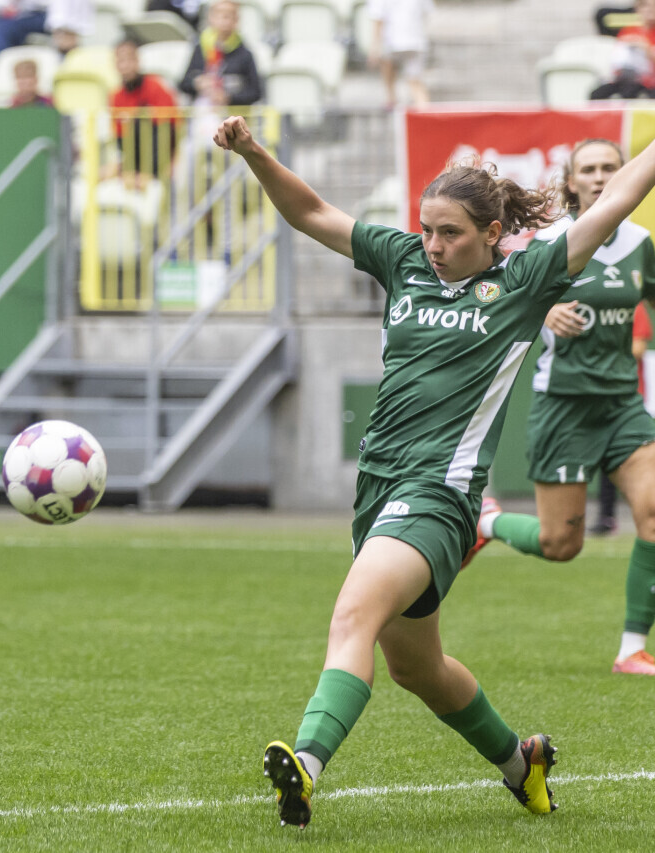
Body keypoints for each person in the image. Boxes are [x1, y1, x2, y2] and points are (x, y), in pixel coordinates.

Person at [212, 113, 655, 827]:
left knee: (353, 615)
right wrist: (254, 152)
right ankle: (523, 765)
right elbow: (312, 212)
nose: (434, 245)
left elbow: (616, 201)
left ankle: (306, 765)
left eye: (450, 233)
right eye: (426, 229)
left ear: (492, 233)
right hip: (378, 489)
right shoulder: (405, 262)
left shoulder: (526, 279)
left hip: (439, 495)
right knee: (417, 668)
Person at [465, 139, 655, 678]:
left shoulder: (640, 243)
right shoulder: (550, 242)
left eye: (610, 167)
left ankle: (631, 649)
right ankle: (489, 521)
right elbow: (492, 295)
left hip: (623, 405)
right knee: (560, 544)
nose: (600, 176)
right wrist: (542, 307)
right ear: (571, 181)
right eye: (588, 169)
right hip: (563, 407)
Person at [592, 300, 650, 534]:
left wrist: (606, 346)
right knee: (604, 455)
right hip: (599, 394)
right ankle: (607, 516)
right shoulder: (594, 306)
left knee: (636, 457)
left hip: (629, 396)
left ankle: (642, 512)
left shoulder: (635, 306)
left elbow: (639, 347)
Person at [111, 39, 180, 181]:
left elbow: (171, 128)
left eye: (129, 59)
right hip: (134, 156)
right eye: (120, 61)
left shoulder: (155, 87)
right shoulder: (116, 96)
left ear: (137, 61)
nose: (125, 66)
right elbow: (120, 137)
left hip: (161, 154)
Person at [178, 1, 263, 108]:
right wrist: (197, 83)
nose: (224, 19)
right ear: (210, 18)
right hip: (202, 111)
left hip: (231, 113)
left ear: (236, 20)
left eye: (229, 15)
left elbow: (255, 92)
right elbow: (183, 84)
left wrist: (228, 97)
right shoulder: (200, 48)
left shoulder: (244, 54)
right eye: (219, 14)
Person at [366, 0, 433, 109]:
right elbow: (426, 12)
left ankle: (392, 100)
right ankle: (423, 112)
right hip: (415, 40)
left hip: (392, 40)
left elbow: (378, 19)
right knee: (415, 83)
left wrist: (374, 47)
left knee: (391, 76)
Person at [591, 0, 655, 99]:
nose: (650, 10)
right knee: (598, 94)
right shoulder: (628, 30)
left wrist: (646, 48)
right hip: (628, 78)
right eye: (646, 7)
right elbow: (617, 58)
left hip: (649, 82)